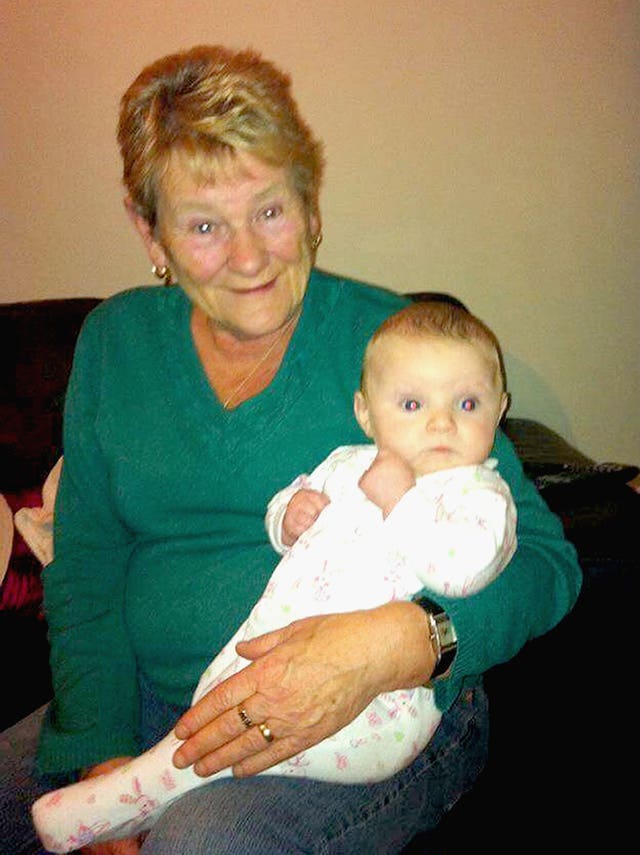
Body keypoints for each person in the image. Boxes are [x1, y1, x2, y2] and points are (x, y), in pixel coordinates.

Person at [0, 44, 581, 855]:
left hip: (367, 717)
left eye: (270, 211)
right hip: (149, 698)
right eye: (204, 225)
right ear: (149, 230)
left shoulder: (393, 344)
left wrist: (393, 644)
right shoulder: (115, 342)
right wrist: (103, 757)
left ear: (310, 206)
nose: (248, 258)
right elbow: (88, 570)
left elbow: (548, 567)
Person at [31, 300, 518, 849]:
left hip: (371, 711)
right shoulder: (349, 461)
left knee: (206, 794)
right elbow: (294, 499)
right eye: (411, 404)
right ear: (366, 412)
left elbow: (465, 568)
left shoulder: (479, 494)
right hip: (255, 657)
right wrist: (288, 516)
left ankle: (136, 794)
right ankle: (141, 790)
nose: (441, 423)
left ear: (499, 410)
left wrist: (401, 504)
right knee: (212, 731)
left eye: (467, 404)